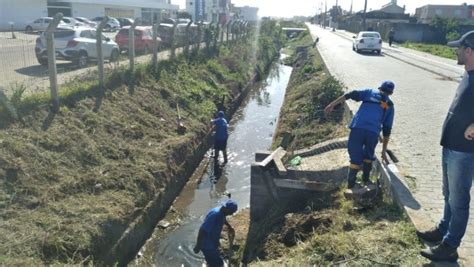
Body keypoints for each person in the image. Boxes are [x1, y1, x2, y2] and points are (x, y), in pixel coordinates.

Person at [416, 31, 474, 263]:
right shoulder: (467, 75)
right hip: (451, 146)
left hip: (464, 151)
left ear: (469, 51)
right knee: (448, 194)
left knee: (459, 200)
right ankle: (443, 230)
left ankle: (450, 246)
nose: (455, 51)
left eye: (459, 48)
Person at [324, 81, 395, 189]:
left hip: (357, 128)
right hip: (373, 132)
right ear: (391, 93)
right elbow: (387, 130)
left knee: (355, 157)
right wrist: (384, 151)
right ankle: (366, 180)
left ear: (380, 88)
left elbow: (350, 95)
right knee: (368, 155)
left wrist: (331, 105)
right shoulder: (389, 105)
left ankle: (351, 185)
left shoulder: (369, 92)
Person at [194, 199, 237, 267]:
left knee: (213, 261)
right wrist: (198, 245)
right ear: (227, 209)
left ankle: (209, 262)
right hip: (207, 244)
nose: (231, 214)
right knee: (218, 264)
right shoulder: (215, 215)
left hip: (213, 241)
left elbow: (223, 219)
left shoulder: (222, 211)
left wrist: (229, 226)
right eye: (231, 212)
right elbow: (202, 230)